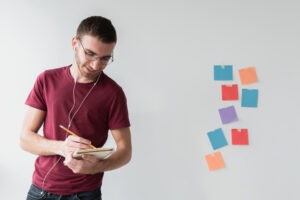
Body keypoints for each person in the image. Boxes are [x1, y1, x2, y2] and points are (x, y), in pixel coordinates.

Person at [20, 16, 132, 200]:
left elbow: (125, 151)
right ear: (75, 43)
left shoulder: (113, 93)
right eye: (90, 53)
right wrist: (62, 147)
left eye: (105, 58)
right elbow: (25, 138)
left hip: (85, 195)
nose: (96, 65)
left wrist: (96, 166)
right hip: (40, 191)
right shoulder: (47, 80)